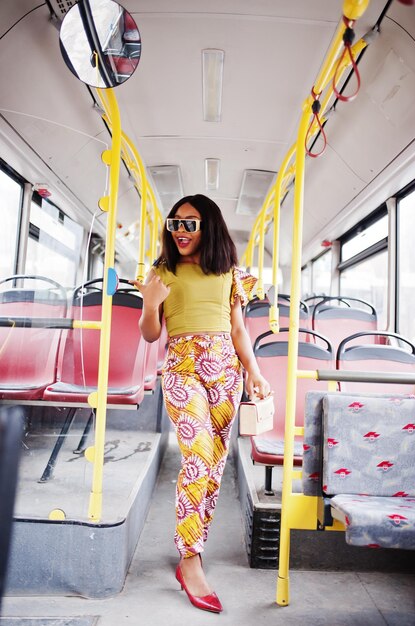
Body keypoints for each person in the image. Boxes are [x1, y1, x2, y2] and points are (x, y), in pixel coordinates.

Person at [130, 194, 270, 614]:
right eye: (176, 224)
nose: (181, 231)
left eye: (190, 223)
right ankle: (189, 560)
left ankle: (195, 545)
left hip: (225, 370)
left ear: (208, 226)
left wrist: (255, 372)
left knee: (212, 466)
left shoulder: (229, 272)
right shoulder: (162, 271)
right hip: (183, 368)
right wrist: (151, 304)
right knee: (197, 457)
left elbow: (238, 330)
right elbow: (151, 334)